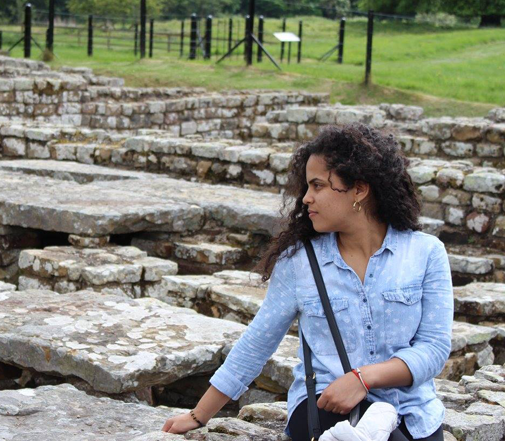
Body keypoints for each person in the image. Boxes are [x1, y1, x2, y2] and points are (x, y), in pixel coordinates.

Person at [162, 123, 453, 441]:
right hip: (325, 410)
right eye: (306, 187)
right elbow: (257, 343)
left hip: (413, 416)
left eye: (317, 186)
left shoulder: (426, 253)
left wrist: (361, 379)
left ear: (359, 189)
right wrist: (198, 415)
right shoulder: (300, 262)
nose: (306, 199)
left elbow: (434, 348)